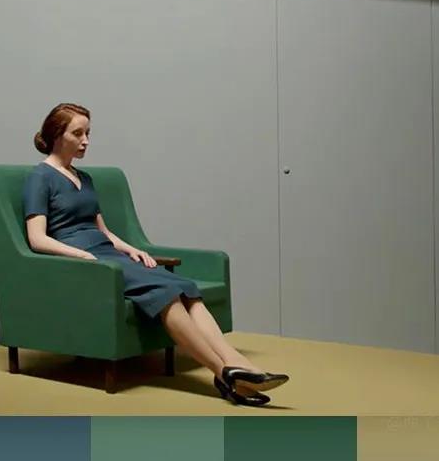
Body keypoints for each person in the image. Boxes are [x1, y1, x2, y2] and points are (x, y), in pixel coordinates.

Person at [23, 103, 290, 406]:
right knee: (166, 293)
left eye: (88, 133)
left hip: (107, 253)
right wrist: (81, 256)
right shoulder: (40, 177)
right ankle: (224, 373)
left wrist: (132, 249)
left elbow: (103, 230)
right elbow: (37, 238)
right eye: (78, 133)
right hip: (84, 260)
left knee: (186, 288)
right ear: (57, 135)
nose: (86, 141)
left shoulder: (85, 178)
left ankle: (237, 364)